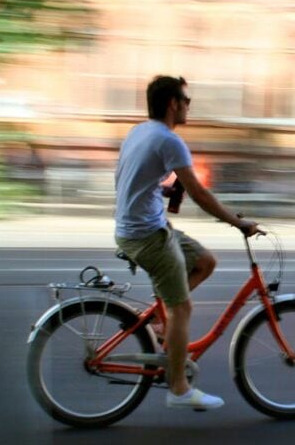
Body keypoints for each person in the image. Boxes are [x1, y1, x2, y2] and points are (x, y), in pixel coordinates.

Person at [114, 75, 260, 410]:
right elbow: (200, 193)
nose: (189, 106)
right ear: (172, 104)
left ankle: (156, 322)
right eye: (186, 101)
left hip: (138, 226)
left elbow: (129, 178)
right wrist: (238, 222)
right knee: (182, 307)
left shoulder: (139, 131)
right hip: (147, 234)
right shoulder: (169, 140)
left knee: (205, 261)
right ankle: (178, 389)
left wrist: (162, 190)